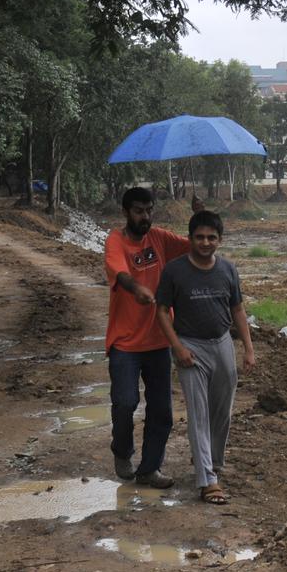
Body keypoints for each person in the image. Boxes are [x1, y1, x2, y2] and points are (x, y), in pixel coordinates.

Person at [155, 210, 255, 504]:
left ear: (220, 240)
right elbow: (161, 312)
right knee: (198, 412)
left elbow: (237, 310)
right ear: (190, 239)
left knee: (222, 411)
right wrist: (178, 348)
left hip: (222, 342)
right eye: (199, 237)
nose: (205, 242)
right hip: (190, 346)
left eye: (212, 237)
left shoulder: (227, 270)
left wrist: (248, 349)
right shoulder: (174, 271)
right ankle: (207, 480)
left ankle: (214, 461)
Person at [103, 187, 191, 488]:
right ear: (126, 212)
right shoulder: (116, 240)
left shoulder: (161, 238)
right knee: (125, 402)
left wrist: (200, 215)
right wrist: (135, 288)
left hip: (159, 340)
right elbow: (119, 272)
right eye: (139, 211)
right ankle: (122, 450)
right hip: (125, 342)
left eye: (150, 210)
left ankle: (149, 468)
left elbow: (198, 246)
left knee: (162, 411)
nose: (146, 216)